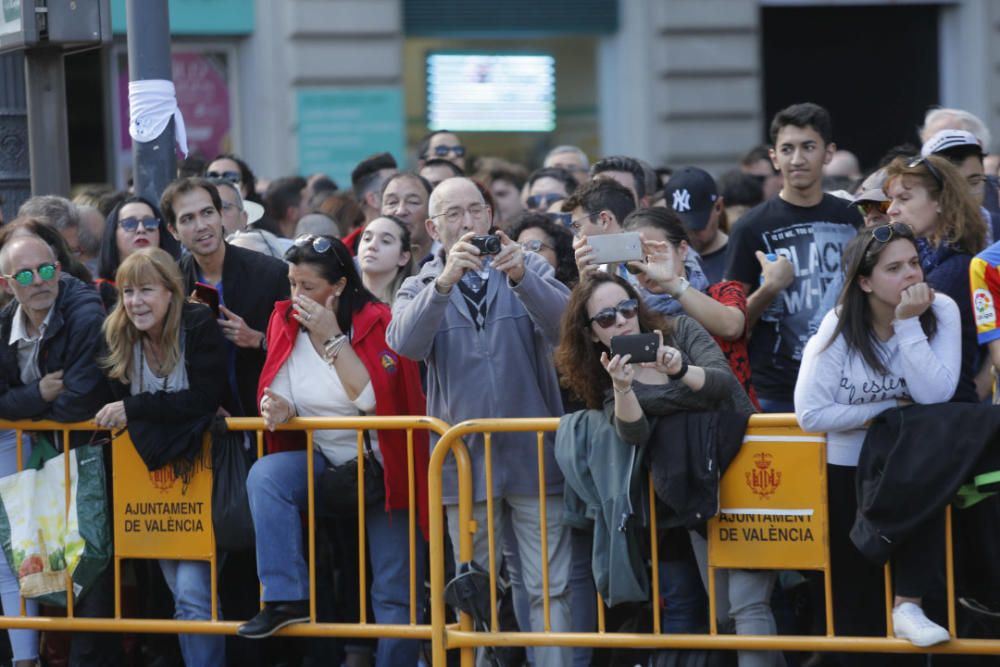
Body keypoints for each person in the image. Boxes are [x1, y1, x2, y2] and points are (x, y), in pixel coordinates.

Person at [386, 177, 572, 667]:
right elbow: (404, 344)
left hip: (535, 454)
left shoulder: (526, 264)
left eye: (475, 211)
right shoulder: (419, 284)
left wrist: (524, 279)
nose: (467, 223)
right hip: (463, 465)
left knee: (548, 587)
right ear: (432, 226)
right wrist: (444, 283)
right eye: (453, 214)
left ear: (491, 217)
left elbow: (567, 328)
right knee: (477, 594)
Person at [553, 273, 776, 667]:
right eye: (606, 318)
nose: (622, 321)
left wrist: (678, 370)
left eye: (627, 309)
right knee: (722, 611)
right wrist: (622, 387)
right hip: (696, 489)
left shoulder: (679, 330)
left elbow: (724, 383)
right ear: (590, 333)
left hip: (745, 468)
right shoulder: (606, 374)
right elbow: (633, 432)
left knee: (748, 605)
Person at [238, 235, 429, 667]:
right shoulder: (282, 318)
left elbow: (369, 400)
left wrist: (330, 337)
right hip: (326, 461)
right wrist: (277, 406)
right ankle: (284, 599)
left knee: (393, 591)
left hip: (386, 468)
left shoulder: (378, 318)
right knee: (266, 477)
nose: (296, 296)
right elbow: (280, 390)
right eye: (291, 284)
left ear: (339, 286)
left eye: (308, 287)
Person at [795, 224, 960, 650]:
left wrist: (907, 326)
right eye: (894, 268)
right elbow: (810, 413)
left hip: (913, 477)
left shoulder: (942, 311)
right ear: (865, 282)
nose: (911, 275)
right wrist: (887, 413)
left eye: (914, 263)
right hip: (847, 473)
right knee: (856, 605)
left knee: (921, 612)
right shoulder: (840, 324)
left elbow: (935, 395)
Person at [94, 248, 228, 667]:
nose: (135, 302)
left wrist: (138, 408)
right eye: (128, 291)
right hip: (152, 485)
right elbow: (115, 408)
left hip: (206, 475)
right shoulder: (116, 331)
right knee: (187, 597)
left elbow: (206, 399)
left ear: (172, 292)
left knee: (192, 595)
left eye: (147, 290)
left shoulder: (198, 323)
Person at [0, 234, 120, 665]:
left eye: (48, 269)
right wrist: (39, 394)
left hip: (90, 452)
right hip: (39, 457)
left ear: (60, 267)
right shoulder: (4, 322)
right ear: (7, 284)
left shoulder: (85, 312)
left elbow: (80, 401)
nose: (40, 282)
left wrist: (28, 406)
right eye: (27, 275)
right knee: (37, 562)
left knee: (91, 564)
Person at [725, 102, 862, 412]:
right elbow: (729, 326)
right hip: (775, 391)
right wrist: (768, 289)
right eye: (787, 149)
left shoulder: (854, 219)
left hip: (846, 383)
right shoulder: (750, 227)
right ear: (774, 157)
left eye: (808, 147)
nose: (797, 159)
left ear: (828, 153)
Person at [161, 177, 290, 420]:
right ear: (173, 231)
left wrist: (258, 339)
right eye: (188, 219)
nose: (201, 225)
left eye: (207, 213)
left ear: (221, 215)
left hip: (266, 416)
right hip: (202, 420)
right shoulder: (170, 284)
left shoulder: (270, 273)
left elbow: (301, 348)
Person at [624, 207, 758, 408]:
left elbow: (731, 327)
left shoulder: (723, 292)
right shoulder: (632, 315)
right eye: (636, 264)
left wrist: (672, 283)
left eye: (655, 253)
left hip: (735, 420)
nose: (648, 268)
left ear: (683, 249)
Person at [884, 155, 986, 402]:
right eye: (891, 199)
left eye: (904, 198)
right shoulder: (923, 257)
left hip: (946, 417)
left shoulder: (957, 269)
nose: (891, 209)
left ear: (940, 201)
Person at [96, 196, 182, 310]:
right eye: (129, 224)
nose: (141, 229)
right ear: (113, 234)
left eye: (150, 223)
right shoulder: (97, 293)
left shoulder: (180, 281)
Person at [664, 167, 729, 284]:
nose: (689, 234)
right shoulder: (664, 259)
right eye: (681, 226)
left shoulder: (738, 256)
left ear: (718, 207)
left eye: (696, 226)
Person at [357, 215, 414, 306]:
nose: (372, 246)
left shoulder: (409, 307)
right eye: (367, 238)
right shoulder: (340, 300)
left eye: (385, 241)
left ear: (403, 257)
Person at [511, 212, 578, 287]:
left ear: (559, 254)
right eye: (519, 248)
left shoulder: (573, 295)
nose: (525, 254)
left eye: (534, 246)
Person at [380, 172, 435, 262]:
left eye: (413, 202)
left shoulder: (449, 262)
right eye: (392, 202)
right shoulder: (360, 268)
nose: (401, 211)